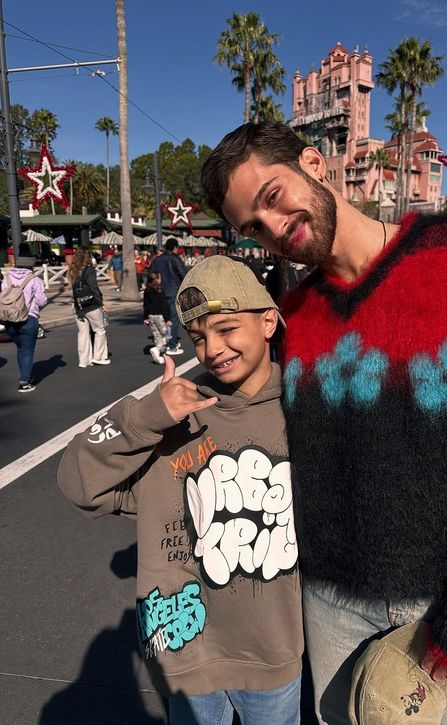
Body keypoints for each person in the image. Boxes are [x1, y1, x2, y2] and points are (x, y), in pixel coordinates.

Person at [200, 122, 447, 724]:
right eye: (252, 228)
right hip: (328, 606)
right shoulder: (295, 319)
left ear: (315, 164)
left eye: (271, 197)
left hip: (443, 606)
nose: (273, 229)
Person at [57, 254, 303, 725]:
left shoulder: (307, 409)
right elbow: (77, 483)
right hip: (188, 653)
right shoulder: (172, 417)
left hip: (273, 653)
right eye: (198, 338)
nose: (213, 349)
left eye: (227, 329)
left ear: (269, 320)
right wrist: (145, 416)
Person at [0, 250, 47, 392]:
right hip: (28, 319)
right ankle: (24, 381)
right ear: (31, 265)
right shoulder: (34, 280)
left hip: (9, 319)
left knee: (20, 349)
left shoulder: (6, 279)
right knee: (27, 350)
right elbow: (41, 301)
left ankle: (26, 376)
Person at [68, 248, 110, 367]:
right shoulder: (89, 270)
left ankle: (84, 360)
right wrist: (101, 303)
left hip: (77, 305)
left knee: (82, 333)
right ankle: (99, 356)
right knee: (99, 330)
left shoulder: (72, 270)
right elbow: (93, 287)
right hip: (91, 304)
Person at [151, 237, 187, 355]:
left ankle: (162, 343)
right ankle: (172, 344)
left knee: (161, 318)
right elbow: (183, 274)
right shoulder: (175, 259)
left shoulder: (157, 259)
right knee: (173, 319)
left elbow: (151, 275)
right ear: (175, 247)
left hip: (159, 291)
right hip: (173, 290)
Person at [143, 271, 172, 364]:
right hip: (160, 316)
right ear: (156, 279)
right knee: (166, 335)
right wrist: (167, 319)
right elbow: (164, 306)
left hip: (151, 316)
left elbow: (145, 305)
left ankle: (160, 355)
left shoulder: (147, 291)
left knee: (157, 336)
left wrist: (145, 318)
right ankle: (157, 349)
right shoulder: (160, 290)